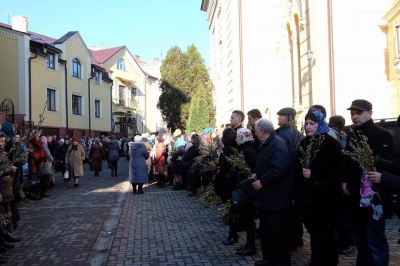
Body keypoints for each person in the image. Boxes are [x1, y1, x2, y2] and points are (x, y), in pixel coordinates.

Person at [342, 99, 394, 266]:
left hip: (373, 198)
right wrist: (344, 182)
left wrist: (351, 183)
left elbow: (384, 166)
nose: (355, 117)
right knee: (361, 243)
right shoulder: (351, 133)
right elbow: (347, 163)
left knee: (375, 243)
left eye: (359, 113)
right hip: (353, 198)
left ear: (370, 113)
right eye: (352, 113)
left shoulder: (381, 134)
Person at [295, 109, 345, 265]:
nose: (308, 127)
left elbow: (338, 173)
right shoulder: (304, 143)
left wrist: (314, 175)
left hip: (326, 201)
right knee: (314, 235)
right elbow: (297, 171)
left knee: (326, 236)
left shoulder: (330, 143)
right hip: (309, 201)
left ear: (320, 124)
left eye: (312, 123)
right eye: (306, 123)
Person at [251, 119, 292, 266]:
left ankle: (280, 262)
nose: (254, 133)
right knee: (267, 232)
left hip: (277, 198)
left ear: (262, 130)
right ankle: (269, 259)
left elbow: (279, 168)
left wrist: (262, 181)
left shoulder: (277, 144)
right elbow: (262, 165)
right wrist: (256, 173)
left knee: (278, 234)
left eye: (256, 129)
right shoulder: (265, 144)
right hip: (267, 198)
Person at [275, 107, 304, 251]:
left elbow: (286, 159)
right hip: (297, 178)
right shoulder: (298, 134)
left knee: (287, 212)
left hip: (287, 178)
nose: (278, 119)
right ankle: (297, 238)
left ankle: (291, 241)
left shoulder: (282, 135)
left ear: (286, 118)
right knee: (295, 211)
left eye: (279, 116)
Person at [213, 128, 239, 245]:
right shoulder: (235, 149)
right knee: (231, 210)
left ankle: (232, 235)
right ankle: (233, 234)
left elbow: (225, 169)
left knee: (230, 210)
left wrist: (216, 180)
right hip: (232, 183)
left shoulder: (227, 150)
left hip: (227, 184)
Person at [234, 128, 257, 256]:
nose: (236, 139)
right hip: (248, 187)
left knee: (249, 218)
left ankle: (250, 245)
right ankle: (248, 244)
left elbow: (247, 169)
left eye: (238, 136)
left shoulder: (246, 151)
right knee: (248, 218)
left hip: (248, 188)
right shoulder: (248, 148)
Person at [27, 134, 46, 200]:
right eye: (36, 136)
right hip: (34, 163)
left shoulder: (38, 142)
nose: (38, 137)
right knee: (34, 178)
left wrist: (42, 160)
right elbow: (32, 153)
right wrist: (39, 160)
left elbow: (41, 151)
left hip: (39, 163)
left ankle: (38, 193)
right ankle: (34, 194)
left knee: (38, 178)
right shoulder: (30, 143)